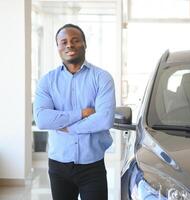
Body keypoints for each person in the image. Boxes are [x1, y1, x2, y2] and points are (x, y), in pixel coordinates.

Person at [34, 24, 116, 200]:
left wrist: (68, 127)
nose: (69, 45)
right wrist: (81, 113)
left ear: (84, 44)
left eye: (75, 40)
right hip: (58, 166)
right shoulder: (47, 81)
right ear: (58, 48)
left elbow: (105, 119)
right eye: (63, 42)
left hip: (92, 164)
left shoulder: (102, 78)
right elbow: (42, 119)